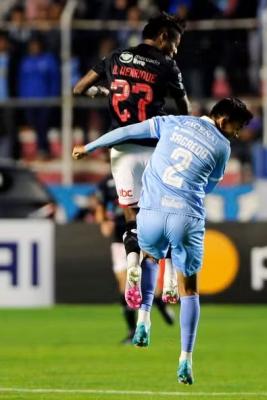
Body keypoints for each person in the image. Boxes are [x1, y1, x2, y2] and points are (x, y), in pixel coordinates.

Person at [73, 97, 253, 384]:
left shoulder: (175, 122)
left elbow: (127, 132)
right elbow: (207, 187)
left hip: (152, 212)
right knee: (190, 291)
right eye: (237, 126)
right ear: (222, 119)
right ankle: (185, 359)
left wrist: (90, 147)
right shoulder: (222, 147)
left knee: (149, 256)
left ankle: (143, 319)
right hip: (186, 216)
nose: (237, 133)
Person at [73, 12, 191, 308]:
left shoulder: (115, 57)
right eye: (175, 42)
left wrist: (106, 92)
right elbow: (184, 108)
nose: (175, 49)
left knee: (131, 219)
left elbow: (78, 88)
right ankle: (172, 280)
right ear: (163, 36)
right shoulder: (167, 65)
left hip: (122, 149)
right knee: (167, 212)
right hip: (154, 149)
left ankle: (132, 265)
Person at [93, 174, 175, 344]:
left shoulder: (145, 174)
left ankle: (159, 302)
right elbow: (100, 206)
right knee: (125, 285)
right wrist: (103, 222)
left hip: (143, 232)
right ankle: (132, 331)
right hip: (119, 238)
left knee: (146, 281)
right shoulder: (107, 182)